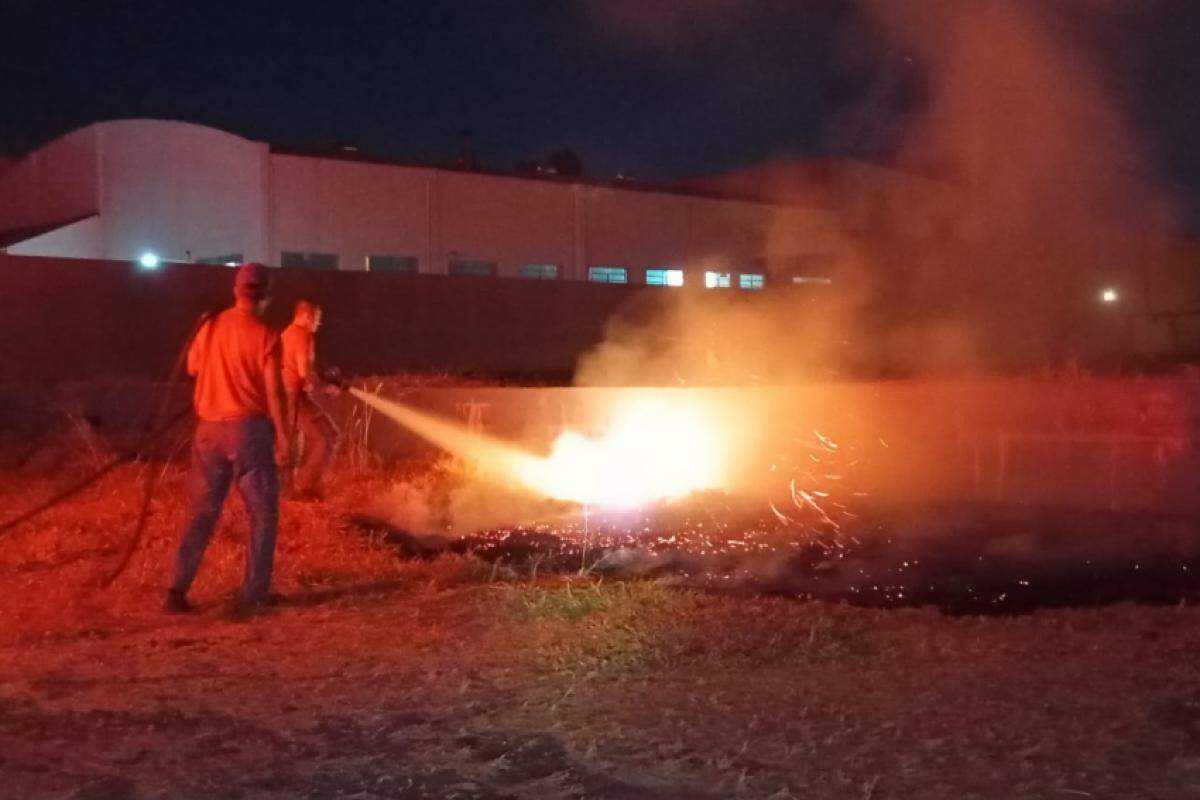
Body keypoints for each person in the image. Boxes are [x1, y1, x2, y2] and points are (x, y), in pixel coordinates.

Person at [166, 262, 291, 613]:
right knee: (263, 512)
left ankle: (176, 590)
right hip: (247, 432)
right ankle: (253, 594)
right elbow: (274, 393)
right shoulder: (266, 336)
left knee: (201, 512)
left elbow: (192, 368)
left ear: (236, 290)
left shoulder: (210, 326)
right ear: (266, 294)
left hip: (208, 430)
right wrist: (284, 436)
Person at [281, 299, 337, 499]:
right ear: (306, 316)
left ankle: (300, 486)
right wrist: (326, 388)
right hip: (294, 395)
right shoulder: (304, 336)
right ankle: (304, 486)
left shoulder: (286, 334)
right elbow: (304, 372)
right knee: (324, 439)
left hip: (290, 394)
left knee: (326, 434)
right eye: (316, 319)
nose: (317, 325)